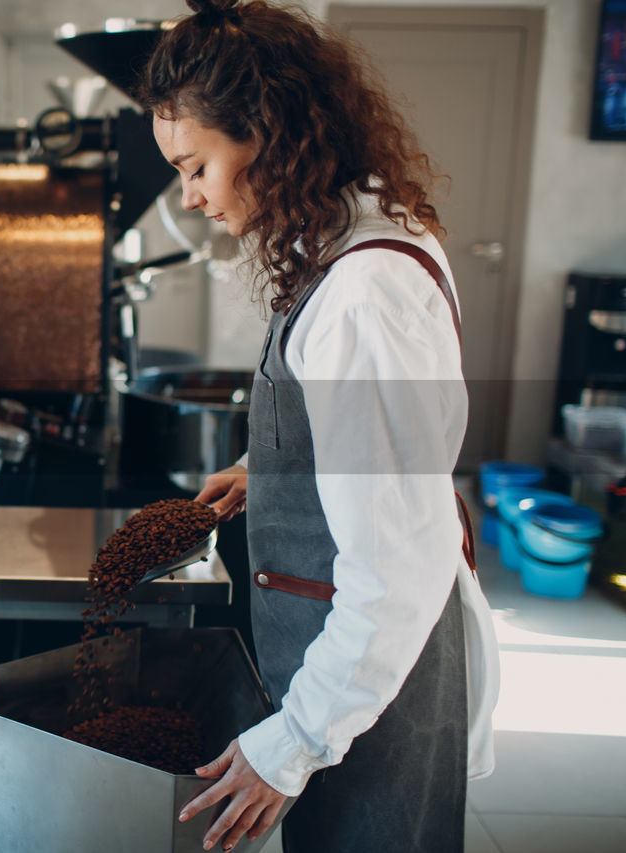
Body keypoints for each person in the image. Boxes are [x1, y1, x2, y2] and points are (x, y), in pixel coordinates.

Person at [137, 2, 501, 851]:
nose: (190, 198)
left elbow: (396, 569)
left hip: (372, 687)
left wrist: (292, 743)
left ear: (263, 131)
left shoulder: (365, 291)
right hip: (354, 675)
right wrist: (278, 469)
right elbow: (375, 442)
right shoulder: (347, 238)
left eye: (196, 166)